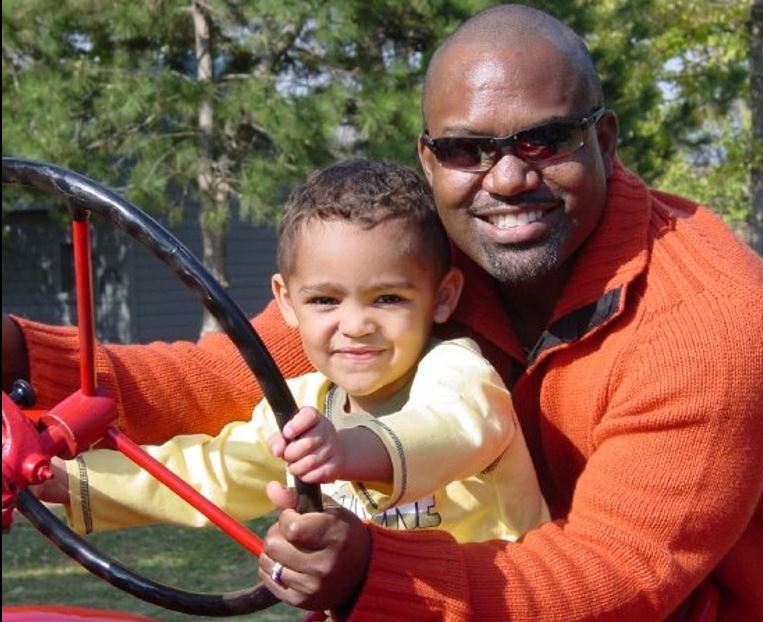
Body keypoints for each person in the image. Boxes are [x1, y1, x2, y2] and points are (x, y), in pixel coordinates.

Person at [3, 4, 763, 621]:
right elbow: (228, 381)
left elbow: (619, 577)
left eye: (546, 140)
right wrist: (18, 360)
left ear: (606, 139)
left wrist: (372, 569)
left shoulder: (710, 329)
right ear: (428, 158)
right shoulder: (418, 264)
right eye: (465, 149)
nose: (507, 178)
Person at [31, 158, 549, 550]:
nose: (356, 325)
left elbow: (453, 429)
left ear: (442, 298)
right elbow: (208, 472)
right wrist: (61, 479)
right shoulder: (300, 406)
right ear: (286, 302)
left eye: (388, 298)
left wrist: (346, 452)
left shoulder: (459, 376)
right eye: (325, 299)